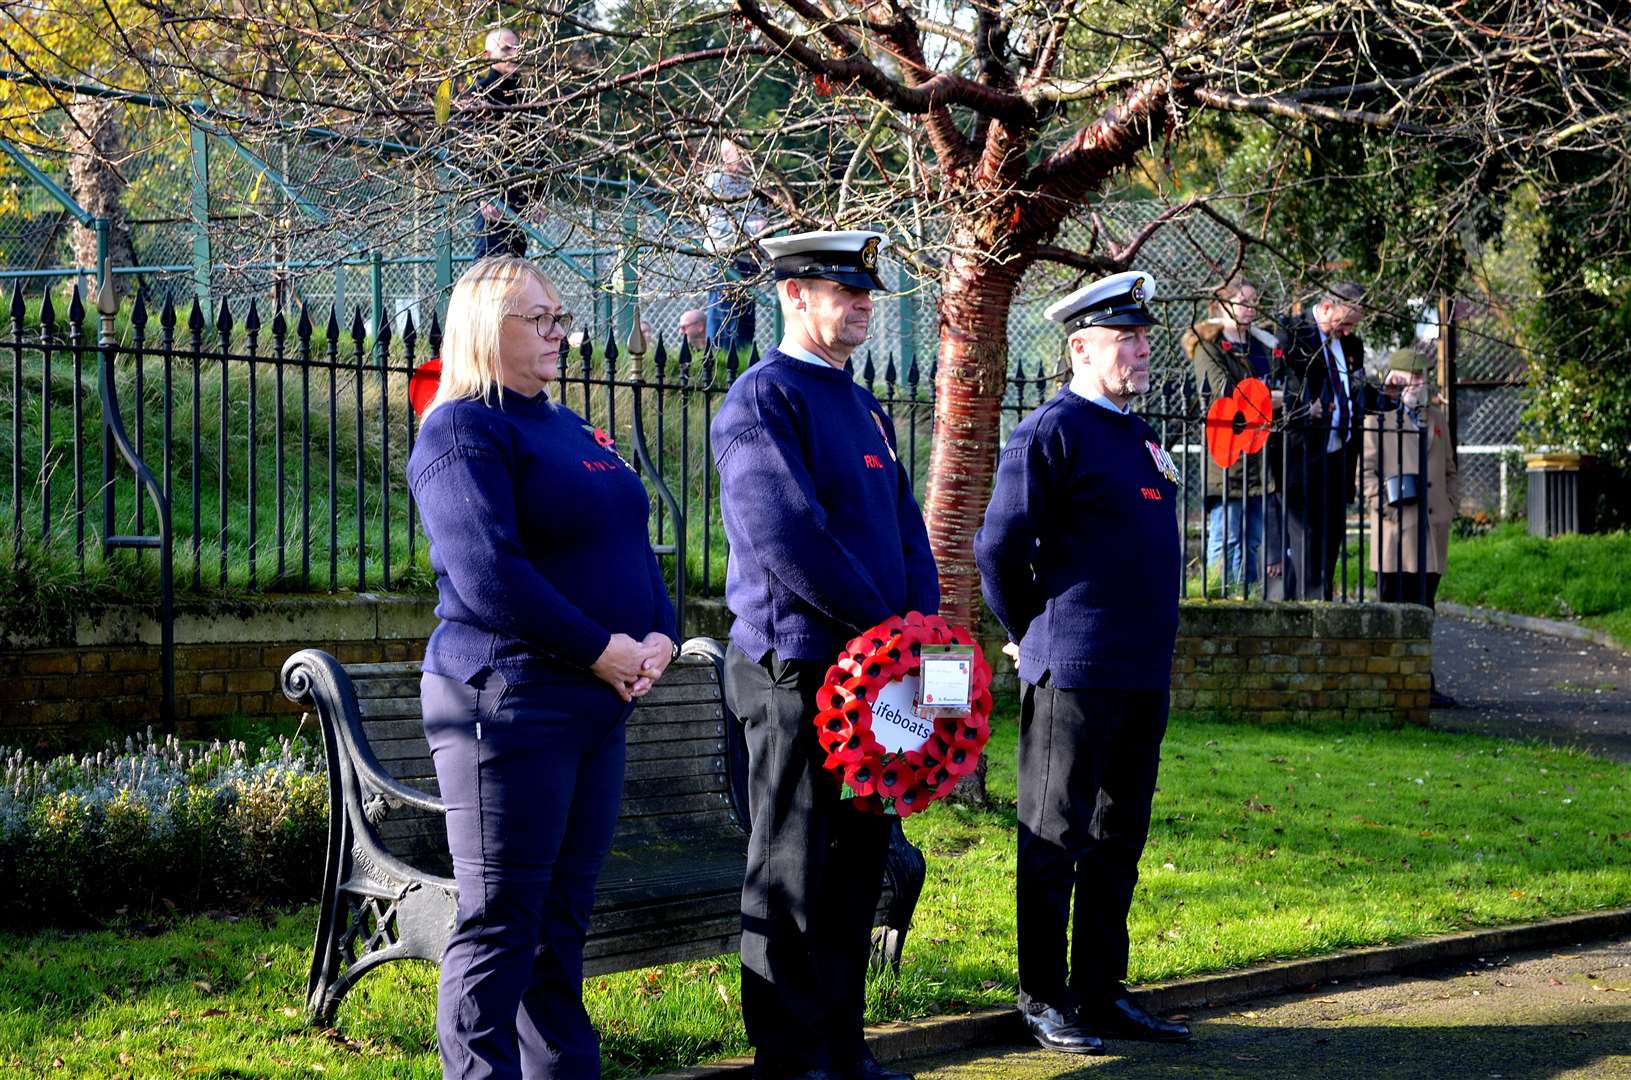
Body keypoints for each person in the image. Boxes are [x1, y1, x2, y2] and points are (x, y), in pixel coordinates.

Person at [408, 256, 679, 1079]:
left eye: (562, 316)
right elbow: (491, 574)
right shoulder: (460, 429)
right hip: (509, 701)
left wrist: (659, 636)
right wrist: (604, 650)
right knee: (501, 922)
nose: (561, 332)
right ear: (488, 328)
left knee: (561, 920)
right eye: (541, 318)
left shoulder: (566, 426)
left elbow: (632, 544)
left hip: (595, 704)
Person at [711, 229, 939, 1080]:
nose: (860, 304)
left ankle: (843, 1044)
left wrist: (925, 636)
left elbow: (904, 528)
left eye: (865, 293)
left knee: (857, 863)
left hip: (879, 673)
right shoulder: (761, 400)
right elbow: (788, 538)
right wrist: (890, 630)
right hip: (797, 670)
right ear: (791, 296)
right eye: (841, 290)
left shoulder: (862, 403)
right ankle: (789, 1052)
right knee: (791, 866)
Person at [975, 270, 1191, 1056]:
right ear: (1078, 346)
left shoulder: (1136, 436)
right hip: (1073, 669)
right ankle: (1042, 997)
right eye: (1124, 339)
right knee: (1053, 834)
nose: (1139, 350)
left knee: (1117, 837)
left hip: (1139, 671)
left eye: (1142, 338)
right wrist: (1033, 631)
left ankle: (1101, 992)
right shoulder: (1051, 431)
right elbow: (996, 547)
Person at [1362, 346, 1459, 707]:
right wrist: (1384, 510)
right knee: (1391, 607)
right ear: (1395, 379)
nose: (1418, 384)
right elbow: (1367, 474)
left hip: (1431, 529)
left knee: (1424, 607)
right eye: (1412, 377)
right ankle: (1388, 682)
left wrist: (1448, 507)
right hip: (1395, 530)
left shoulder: (1436, 417)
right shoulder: (1378, 418)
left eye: (1422, 377)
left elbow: (1450, 468)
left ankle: (1422, 683)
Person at [1182, 274, 1283, 591]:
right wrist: (1268, 399)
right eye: (1243, 302)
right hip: (1225, 454)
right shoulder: (1208, 346)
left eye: (1254, 302)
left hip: (1258, 454)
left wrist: (1266, 399)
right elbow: (1222, 394)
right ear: (1221, 305)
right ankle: (1218, 597)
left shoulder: (1262, 346)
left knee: (1252, 539)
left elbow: (1279, 388)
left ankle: (1247, 603)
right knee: (1227, 538)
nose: (1250, 308)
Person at [1272, 282, 1370, 600]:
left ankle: (1323, 601)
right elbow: (1274, 389)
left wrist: (1388, 397)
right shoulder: (1292, 333)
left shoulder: (1352, 346)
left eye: (1354, 325)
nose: (1347, 331)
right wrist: (1303, 408)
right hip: (1301, 458)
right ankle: (1309, 609)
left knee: (1331, 540)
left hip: (1338, 455)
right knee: (1306, 542)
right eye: (1345, 322)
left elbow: (1357, 395)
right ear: (1327, 307)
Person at [464, 28, 528, 259]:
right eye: (506, 49)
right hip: (492, 198)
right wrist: (483, 192)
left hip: (521, 199)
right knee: (489, 267)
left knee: (516, 269)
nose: (514, 54)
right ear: (488, 55)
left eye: (517, 48)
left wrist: (539, 196)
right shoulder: (477, 95)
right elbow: (469, 150)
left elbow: (539, 150)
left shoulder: (527, 97)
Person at [703, 138, 768, 355]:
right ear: (725, 155)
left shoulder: (751, 184)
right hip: (726, 260)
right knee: (723, 316)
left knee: (746, 320)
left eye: (747, 153)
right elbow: (713, 225)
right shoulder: (715, 181)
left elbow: (762, 221)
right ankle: (719, 363)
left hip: (750, 261)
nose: (746, 159)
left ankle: (740, 364)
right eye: (740, 153)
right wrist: (751, 229)